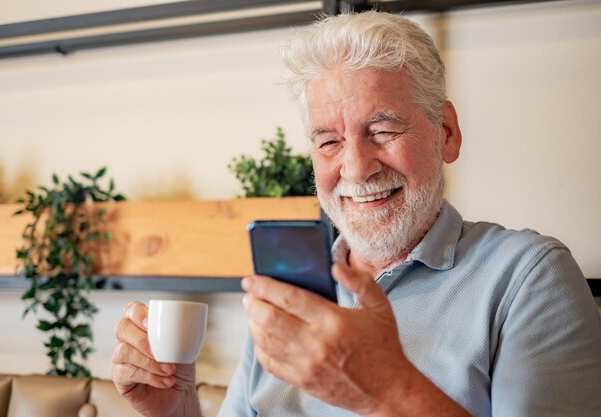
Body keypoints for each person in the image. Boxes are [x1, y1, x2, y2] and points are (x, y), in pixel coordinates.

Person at [110, 11, 601, 417]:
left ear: (446, 133)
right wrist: (176, 408)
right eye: (329, 141)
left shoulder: (528, 277)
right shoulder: (290, 293)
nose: (356, 168)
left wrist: (388, 388)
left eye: (383, 131)